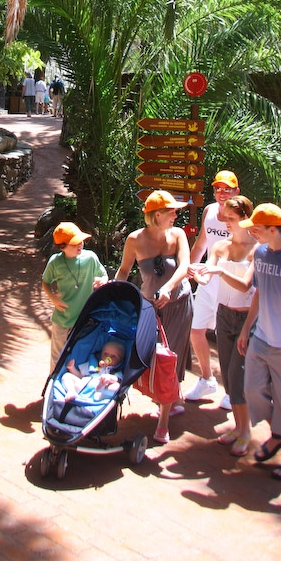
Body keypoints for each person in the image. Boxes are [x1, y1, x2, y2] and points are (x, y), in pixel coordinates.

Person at [204, 202, 281, 481]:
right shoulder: (260, 254)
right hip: (261, 338)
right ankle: (279, 433)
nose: (253, 233)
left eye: (257, 229)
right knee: (252, 389)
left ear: (273, 229)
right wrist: (246, 329)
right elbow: (257, 292)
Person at [115, 189, 193, 445]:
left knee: (169, 358)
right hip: (150, 307)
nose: (176, 216)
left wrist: (168, 288)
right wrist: (114, 293)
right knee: (150, 356)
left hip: (178, 304)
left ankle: (163, 421)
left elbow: (184, 266)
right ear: (157, 215)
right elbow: (124, 271)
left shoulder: (178, 235)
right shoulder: (135, 239)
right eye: (172, 212)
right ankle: (169, 396)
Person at [190, 195, 256, 456]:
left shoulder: (257, 249)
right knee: (228, 374)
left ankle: (246, 431)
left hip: (246, 318)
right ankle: (238, 428)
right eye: (224, 217)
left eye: (231, 218)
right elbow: (207, 278)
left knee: (239, 375)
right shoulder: (220, 247)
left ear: (245, 218)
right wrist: (197, 275)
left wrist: (218, 272)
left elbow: (246, 285)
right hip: (224, 314)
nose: (225, 222)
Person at [185, 170, 240, 408]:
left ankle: (232, 390)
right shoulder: (208, 211)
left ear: (236, 191)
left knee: (228, 340)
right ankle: (207, 379)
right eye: (218, 188)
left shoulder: (242, 215)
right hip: (207, 284)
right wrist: (187, 271)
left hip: (231, 286)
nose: (222, 193)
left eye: (227, 189)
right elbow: (201, 244)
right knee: (195, 331)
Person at [42, 222, 108, 372]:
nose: (80, 245)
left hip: (85, 319)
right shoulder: (55, 263)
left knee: (81, 354)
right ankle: (52, 382)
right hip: (63, 318)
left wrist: (102, 281)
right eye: (74, 243)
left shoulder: (90, 258)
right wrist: (53, 298)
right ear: (62, 247)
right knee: (57, 356)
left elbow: (103, 275)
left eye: (81, 241)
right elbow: (46, 282)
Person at [61, 339, 125, 401]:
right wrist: (72, 368)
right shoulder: (93, 365)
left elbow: (118, 379)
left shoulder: (116, 372)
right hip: (83, 386)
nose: (108, 358)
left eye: (113, 356)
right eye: (105, 354)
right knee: (67, 376)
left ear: (120, 361)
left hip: (100, 393)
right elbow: (80, 375)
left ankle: (101, 390)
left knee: (116, 386)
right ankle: (71, 391)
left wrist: (109, 378)